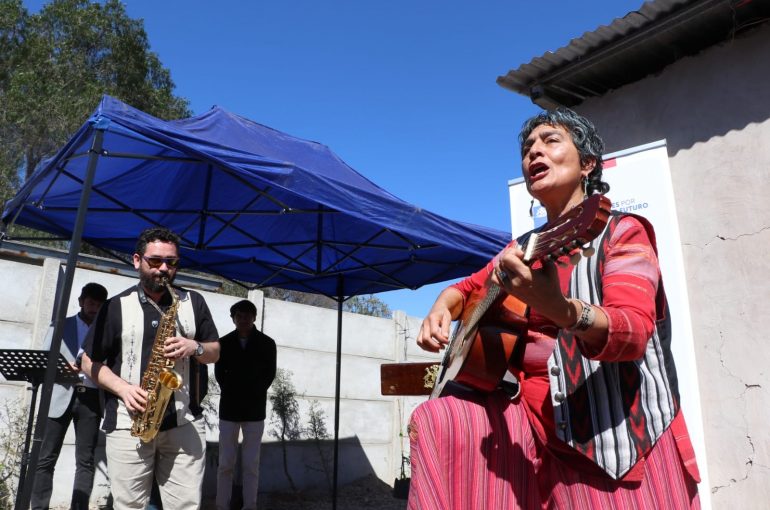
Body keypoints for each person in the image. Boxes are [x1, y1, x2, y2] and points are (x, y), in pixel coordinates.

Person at [409, 108, 701, 509]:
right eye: (528, 148)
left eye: (550, 141)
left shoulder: (622, 232)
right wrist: (443, 305)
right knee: (435, 421)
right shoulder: (520, 250)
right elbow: (466, 288)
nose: (534, 153)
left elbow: (633, 330)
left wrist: (563, 310)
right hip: (535, 433)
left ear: (587, 164)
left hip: (613, 440)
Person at [80, 227, 220, 510]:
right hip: (128, 421)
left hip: (184, 422)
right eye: (155, 261)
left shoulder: (193, 302)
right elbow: (88, 361)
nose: (164, 269)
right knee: (129, 505)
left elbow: (214, 351)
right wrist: (123, 389)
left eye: (171, 262)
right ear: (137, 260)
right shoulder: (115, 306)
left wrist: (196, 347)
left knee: (187, 506)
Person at [31, 282, 108, 510]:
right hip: (58, 397)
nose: (94, 308)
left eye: (99, 305)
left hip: (91, 397)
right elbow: (43, 362)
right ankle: (39, 508)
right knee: (45, 458)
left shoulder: (106, 330)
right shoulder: (60, 325)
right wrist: (66, 369)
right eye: (91, 303)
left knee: (85, 461)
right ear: (81, 302)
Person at [215, 299, 277, 510]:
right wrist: (233, 391)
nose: (243, 320)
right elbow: (219, 375)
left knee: (251, 464)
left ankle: (250, 505)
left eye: (247, 315)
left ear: (254, 317)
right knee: (225, 463)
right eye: (239, 316)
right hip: (229, 409)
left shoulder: (267, 343)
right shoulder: (223, 343)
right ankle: (221, 505)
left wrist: (253, 391)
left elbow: (270, 375)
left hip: (254, 409)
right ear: (233, 318)